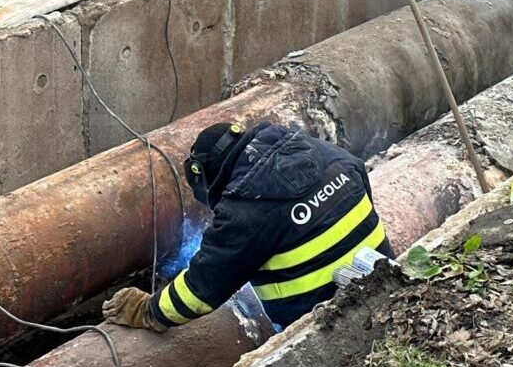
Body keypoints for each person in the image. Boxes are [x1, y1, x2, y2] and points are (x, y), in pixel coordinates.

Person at [102, 121, 394, 331]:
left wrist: (147, 310)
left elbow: (200, 292)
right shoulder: (322, 151)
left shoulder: (244, 213)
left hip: (326, 324)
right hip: (387, 287)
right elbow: (358, 182)